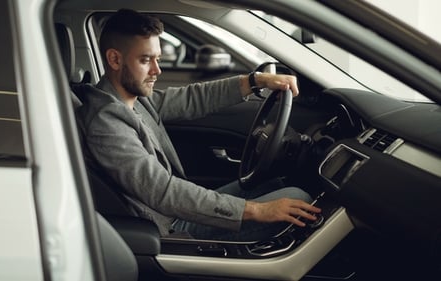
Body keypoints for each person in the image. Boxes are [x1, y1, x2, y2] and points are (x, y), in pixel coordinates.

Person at [77, 8, 320, 241]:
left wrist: (257, 81)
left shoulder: (132, 99)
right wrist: (258, 211)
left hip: (173, 210)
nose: (157, 70)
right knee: (297, 199)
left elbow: (191, 99)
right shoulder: (105, 121)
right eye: (145, 60)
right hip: (167, 227)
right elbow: (161, 191)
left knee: (280, 183)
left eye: (158, 59)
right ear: (114, 59)